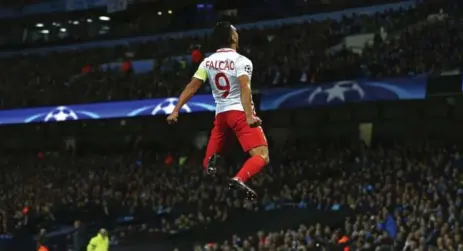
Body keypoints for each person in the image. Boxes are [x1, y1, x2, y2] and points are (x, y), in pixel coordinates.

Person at [167, 21, 270, 200]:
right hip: (239, 114)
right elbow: (245, 87)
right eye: (235, 31)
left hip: (221, 116)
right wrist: (249, 116)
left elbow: (192, 86)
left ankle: (213, 161)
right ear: (232, 37)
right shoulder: (242, 61)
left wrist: (176, 110)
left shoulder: (207, 62)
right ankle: (239, 178)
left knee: (208, 164)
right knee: (262, 155)